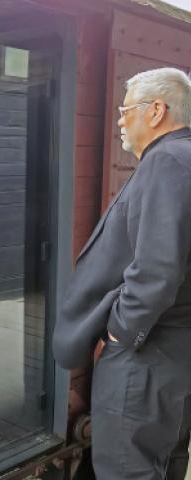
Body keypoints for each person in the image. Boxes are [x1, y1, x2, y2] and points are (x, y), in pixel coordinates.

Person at [53, 68, 191, 479]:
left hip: (146, 357)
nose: (118, 121)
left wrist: (121, 333)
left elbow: (157, 270)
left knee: (127, 469)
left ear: (156, 111)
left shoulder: (166, 161)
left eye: (124, 109)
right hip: (177, 355)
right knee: (165, 463)